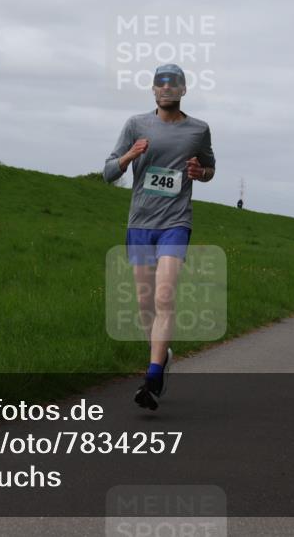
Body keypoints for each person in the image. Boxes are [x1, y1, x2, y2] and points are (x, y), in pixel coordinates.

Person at [103, 63, 215, 411]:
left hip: (175, 224)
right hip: (140, 224)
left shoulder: (199, 130)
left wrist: (201, 172)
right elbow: (107, 172)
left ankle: (152, 377)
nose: (166, 88)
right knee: (145, 307)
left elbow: (210, 167)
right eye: (160, 83)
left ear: (183, 90)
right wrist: (129, 156)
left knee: (165, 298)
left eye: (174, 84)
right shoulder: (136, 125)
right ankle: (162, 356)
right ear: (153, 90)